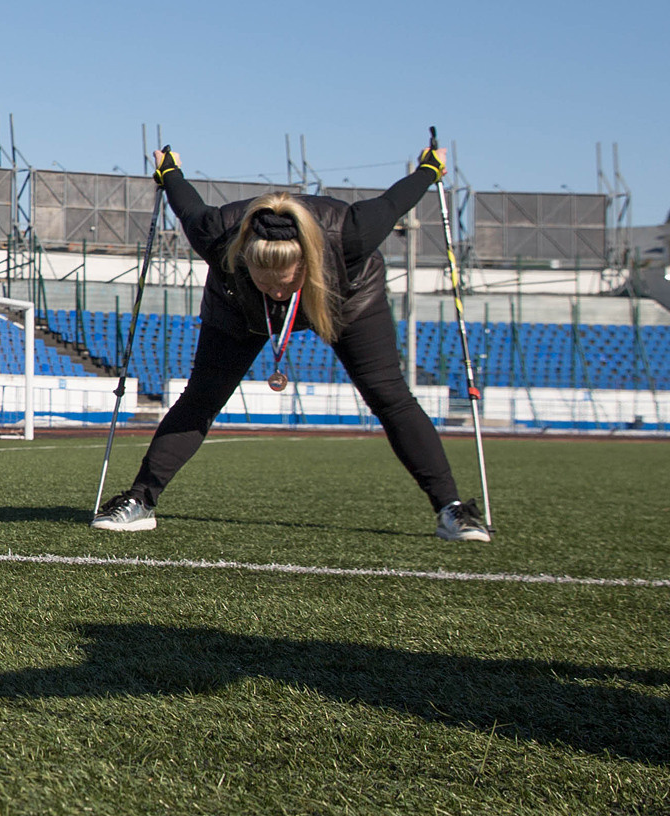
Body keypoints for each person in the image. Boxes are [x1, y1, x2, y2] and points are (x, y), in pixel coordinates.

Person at [93, 144, 491, 542]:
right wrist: (170, 171)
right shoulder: (216, 234)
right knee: (201, 398)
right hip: (238, 307)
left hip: (343, 298)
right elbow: (186, 201)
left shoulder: (352, 231)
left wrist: (428, 168)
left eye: (284, 281)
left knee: (389, 395)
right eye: (265, 280)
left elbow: (395, 201)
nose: (277, 293)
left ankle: (451, 509)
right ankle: (140, 500)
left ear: (305, 262)